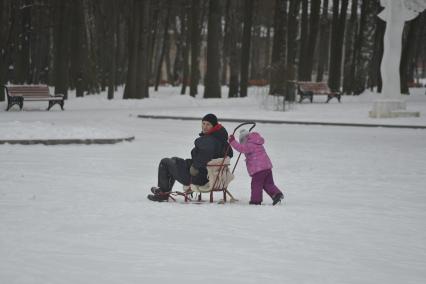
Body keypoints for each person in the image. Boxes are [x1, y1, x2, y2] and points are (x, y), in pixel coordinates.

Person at [148, 114, 233, 202]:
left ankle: (163, 193)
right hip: (209, 175)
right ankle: (164, 191)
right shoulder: (221, 139)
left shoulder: (209, 141)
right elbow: (228, 154)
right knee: (175, 160)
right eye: (203, 123)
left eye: (208, 124)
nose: (205, 127)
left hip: (197, 177)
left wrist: (195, 166)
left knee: (165, 162)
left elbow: (204, 157)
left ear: (214, 126)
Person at [229, 129, 284, 205]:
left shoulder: (249, 144)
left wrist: (232, 141)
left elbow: (241, 149)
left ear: (245, 138)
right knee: (268, 183)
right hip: (267, 167)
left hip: (258, 170)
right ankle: (277, 194)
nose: (242, 143)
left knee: (256, 185)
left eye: (242, 141)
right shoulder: (257, 142)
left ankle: (256, 201)